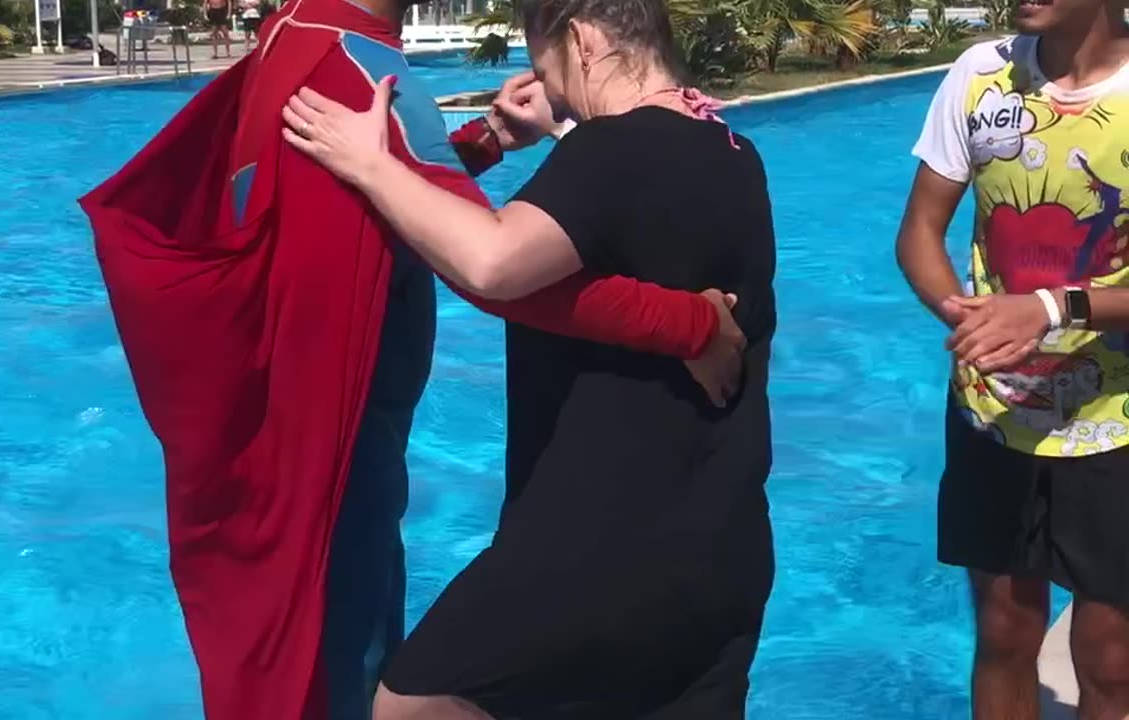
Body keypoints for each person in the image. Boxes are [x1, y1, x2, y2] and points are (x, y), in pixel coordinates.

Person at [78, 0, 745, 717]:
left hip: (277, 417)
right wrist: (688, 323)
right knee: (347, 678)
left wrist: (485, 141)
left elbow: (369, 209)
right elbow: (490, 266)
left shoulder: (294, 35)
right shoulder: (369, 80)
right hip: (341, 447)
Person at [282, 0, 778, 714]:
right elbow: (625, 231)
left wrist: (368, 164)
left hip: (598, 550)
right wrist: (498, 139)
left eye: (545, 65)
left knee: (412, 702)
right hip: (723, 547)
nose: (551, 88)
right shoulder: (731, 151)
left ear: (581, 40)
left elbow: (490, 263)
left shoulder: (608, 153)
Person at [897, 1, 1129, 717]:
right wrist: (965, 319)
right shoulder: (979, 76)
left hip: (1115, 420)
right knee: (1003, 631)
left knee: (1112, 657)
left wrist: (1053, 310)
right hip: (994, 411)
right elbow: (919, 233)